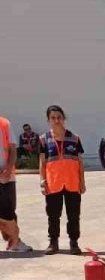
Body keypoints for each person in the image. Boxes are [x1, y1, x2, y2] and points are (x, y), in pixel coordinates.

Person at [39, 105, 85, 254]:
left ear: (63, 118)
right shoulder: (43, 139)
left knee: (73, 215)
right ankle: (53, 242)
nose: (56, 120)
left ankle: (74, 242)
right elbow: (42, 163)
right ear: (48, 120)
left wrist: (82, 181)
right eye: (53, 118)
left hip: (72, 182)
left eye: (59, 117)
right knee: (53, 215)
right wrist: (42, 181)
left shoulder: (74, 138)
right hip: (53, 183)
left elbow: (80, 161)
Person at [0, 115, 33, 252]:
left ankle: (14, 242)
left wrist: (8, 170)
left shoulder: (4, 123)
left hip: (6, 177)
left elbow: (13, 149)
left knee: (8, 213)